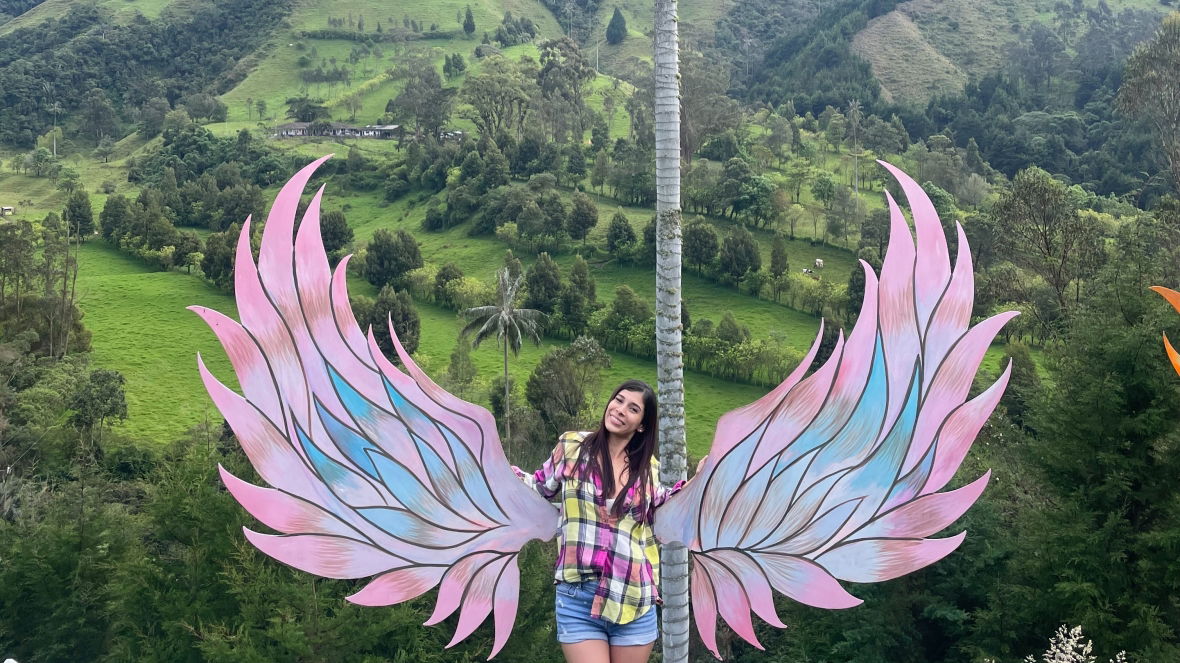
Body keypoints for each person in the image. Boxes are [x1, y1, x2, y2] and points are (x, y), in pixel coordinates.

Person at [514, 379, 704, 663]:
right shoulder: (572, 447)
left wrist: (701, 480)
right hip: (578, 597)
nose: (620, 409)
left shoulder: (647, 470)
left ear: (642, 425)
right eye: (618, 399)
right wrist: (497, 471)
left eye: (633, 408)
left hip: (633, 597)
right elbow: (540, 488)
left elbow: (665, 506)